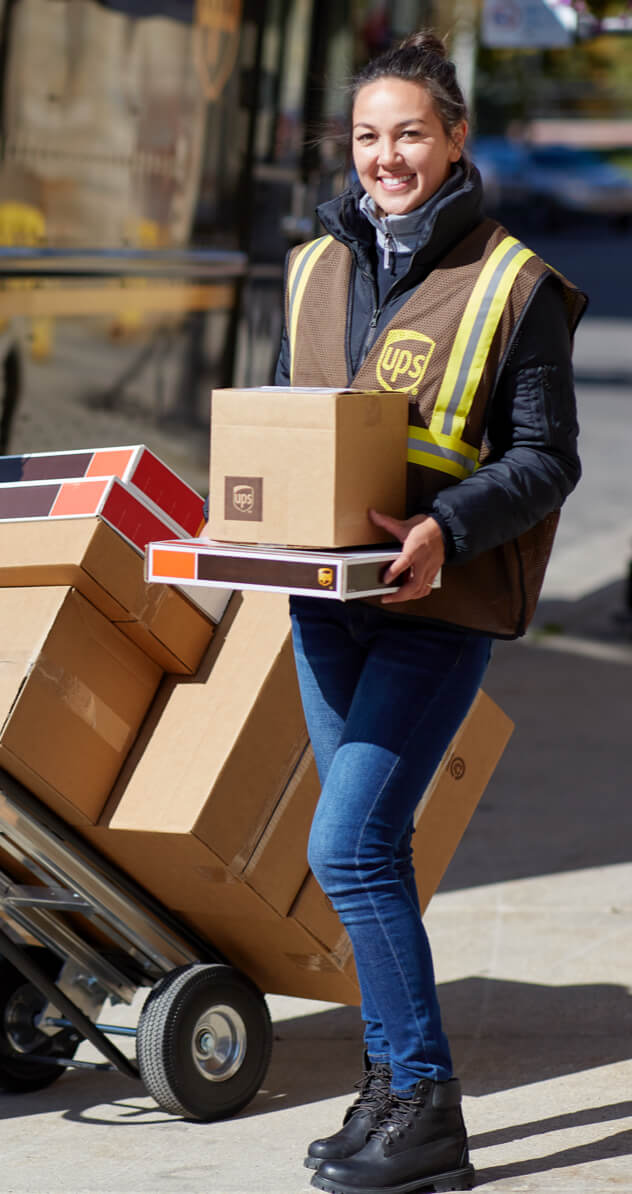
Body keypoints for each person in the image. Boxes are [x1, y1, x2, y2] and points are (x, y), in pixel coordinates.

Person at [274, 32, 584, 1194]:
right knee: (376, 859)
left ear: (456, 140)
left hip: (436, 605)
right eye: (367, 137)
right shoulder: (314, 271)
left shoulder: (517, 286)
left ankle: (427, 1104)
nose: (386, 156)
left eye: (410, 132)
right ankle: (392, 1096)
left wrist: (445, 528)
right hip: (323, 610)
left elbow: (549, 459)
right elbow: (286, 433)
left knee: (345, 848)